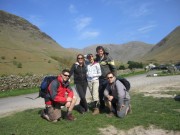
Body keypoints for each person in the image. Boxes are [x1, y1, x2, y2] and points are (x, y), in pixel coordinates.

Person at [95, 46, 117, 111]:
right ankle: (102, 106)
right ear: (97, 52)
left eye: (101, 51)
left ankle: (113, 107)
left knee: (109, 93)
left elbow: (114, 68)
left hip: (108, 79)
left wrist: (114, 77)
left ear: (103, 51)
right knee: (100, 93)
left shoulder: (108, 58)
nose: (100, 53)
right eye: (98, 52)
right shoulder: (96, 59)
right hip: (100, 79)